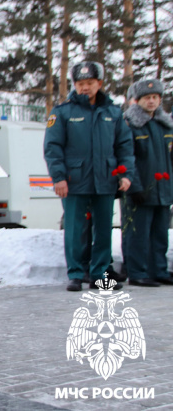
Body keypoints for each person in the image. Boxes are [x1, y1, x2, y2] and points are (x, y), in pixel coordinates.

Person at [44, 61, 134, 292]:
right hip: (74, 181)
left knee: (103, 229)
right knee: (75, 230)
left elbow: (124, 146)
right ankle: (75, 274)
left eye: (90, 83)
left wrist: (125, 174)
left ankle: (99, 274)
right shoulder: (62, 112)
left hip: (105, 180)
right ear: (75, 85)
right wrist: (59, 178)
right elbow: (53, 147)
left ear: (99, 84)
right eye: (81, 83)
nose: (85, 87)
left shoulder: (113, 113)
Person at [121, 78, 173, 286]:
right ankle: (137, 272)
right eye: (146, 98)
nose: (151, 101)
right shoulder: (129, 124)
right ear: (137, 100)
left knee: (160, 234)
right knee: (137, 234)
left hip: (163, 189)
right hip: (139, 190)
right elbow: (126, 158)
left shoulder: (165, 125)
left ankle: (158, 270)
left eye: (155, 97)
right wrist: (134, 187)